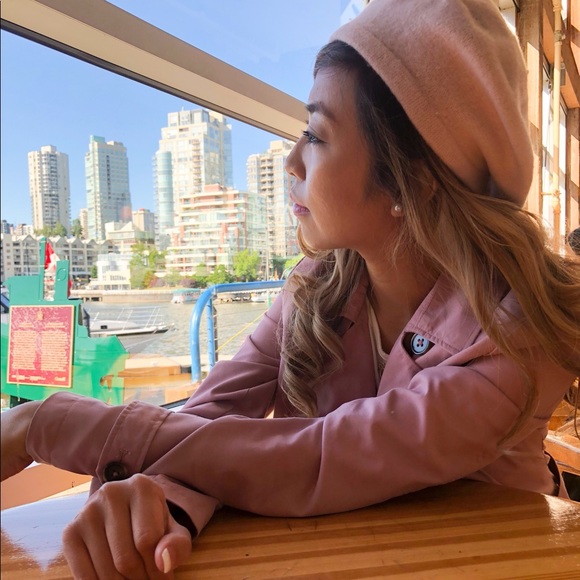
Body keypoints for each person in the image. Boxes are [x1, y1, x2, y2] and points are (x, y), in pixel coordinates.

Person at [3, 0, 580, 577]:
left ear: (414, 179)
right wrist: (167, 503)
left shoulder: (516, 326)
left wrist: (44, 424)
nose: (292, 161)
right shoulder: (316, 285)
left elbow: (324, 458)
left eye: (318, 135)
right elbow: (212, 414)